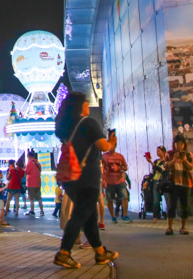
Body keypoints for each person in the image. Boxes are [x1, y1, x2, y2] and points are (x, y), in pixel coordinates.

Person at [53, 91, 118, 269]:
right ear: (81, 105)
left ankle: (100, 253)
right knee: (80, 215)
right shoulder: (88, 123)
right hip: (87, 178)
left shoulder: (67, 126)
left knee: (89, 216)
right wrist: (112, 142)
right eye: (86, 103)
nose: (88, 106)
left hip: (70, 178)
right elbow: (103, 146)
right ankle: (64, 253)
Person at [164, 134, 193, 235]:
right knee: (172, 205)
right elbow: (166, 165)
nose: (179, 146)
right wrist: (174, 160)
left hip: (185, 183)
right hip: (173, 182)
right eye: (177, 144)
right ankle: (169, 227)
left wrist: (184, 160)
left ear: (184, 144)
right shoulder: (170, 153)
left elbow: (191, 167)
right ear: (174, 144)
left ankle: (183, 227)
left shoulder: (188, 155)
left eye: (181, 144)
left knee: (184, 205)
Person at [102, 141, 131, 222]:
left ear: (115, 146)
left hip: (120, 180)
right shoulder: (104, 156)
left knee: (125, 197)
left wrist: (120, 168)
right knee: (109, 199)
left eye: (112, 145)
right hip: (109, 181)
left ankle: (125, 215)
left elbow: (125, 168)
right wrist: (103, 180)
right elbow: (101, 168)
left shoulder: (120, 156)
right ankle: (113, 216)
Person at [144, 146, 167, 221]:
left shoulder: (166, 161)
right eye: (157, 151)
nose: (158, 152)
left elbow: (161, 169)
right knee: (156, 199)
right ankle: (155, 216)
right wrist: (147, 181)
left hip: (162, 181)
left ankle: (169, 215)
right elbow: (152, 172)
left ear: (163, 152)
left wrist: (150, 162)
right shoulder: (156, 161)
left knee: (166, 198)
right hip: (155, 181)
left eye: (159, 151)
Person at [25, 151, 44, 216]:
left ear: (29, 157)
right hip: (38, 182)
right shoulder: (38, 163)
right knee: (39, 197)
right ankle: (41, 211)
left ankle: (32, 210)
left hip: (31, 183)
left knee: (31, 198)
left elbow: (27, 171)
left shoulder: (29, 163)